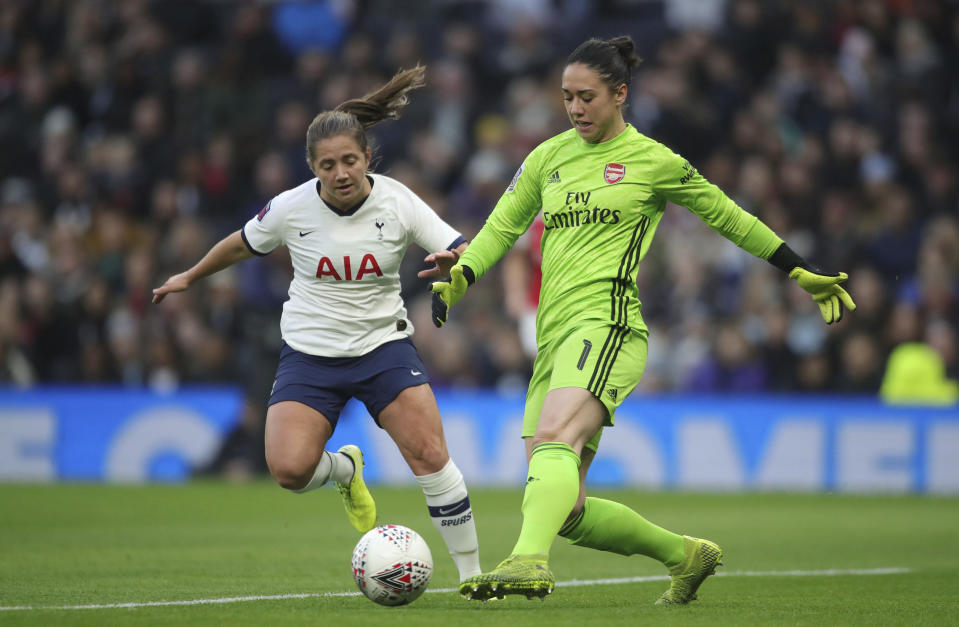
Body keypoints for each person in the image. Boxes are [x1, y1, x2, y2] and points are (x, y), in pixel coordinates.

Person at [427, 36, 856, 604]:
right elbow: (502, 227)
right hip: (555, 338)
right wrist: (464, 276)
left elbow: (728, 216)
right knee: (565, 504)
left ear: (620, 94)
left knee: (554, 440)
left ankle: (527, 561)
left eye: (586, 96)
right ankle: (686, 555)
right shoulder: (546, 158)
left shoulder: (654, 162)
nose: (575, 108)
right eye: (566, 97)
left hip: (607, 327)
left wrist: (798, 270)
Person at [152, 66, 482, 583]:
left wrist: (457, 264)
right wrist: (191, 276)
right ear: (313, 167)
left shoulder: (396, 200)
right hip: (309, 354)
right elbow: (241, 241)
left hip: (383, 348)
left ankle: (471, 576)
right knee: (288, 470)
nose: (341, 172)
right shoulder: (291, 207)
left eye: (350, 160)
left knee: (431, 456)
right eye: (328, 165)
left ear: (367, 157)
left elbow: (460, 243)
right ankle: (344, 470)